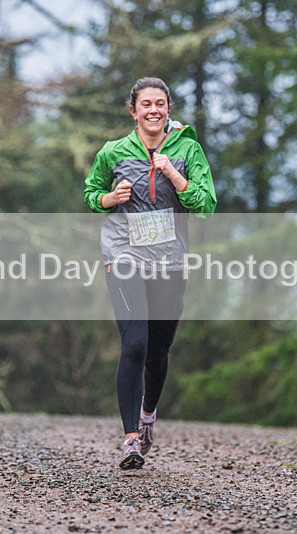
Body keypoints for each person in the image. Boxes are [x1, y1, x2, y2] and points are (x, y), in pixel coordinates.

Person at [83, 77, 217, 469]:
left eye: (160, 103)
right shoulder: (113, 152)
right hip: (123, 255)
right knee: (136, 344)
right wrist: (110, 197)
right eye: (146, 104)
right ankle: (130, 440)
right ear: (133, 111)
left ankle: (147, 417)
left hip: (170, 261)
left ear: (168, 109)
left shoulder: (187, 150)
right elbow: (91, 194)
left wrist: (175, 175)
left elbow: (207, 205)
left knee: (158, 350)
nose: (153, 110)